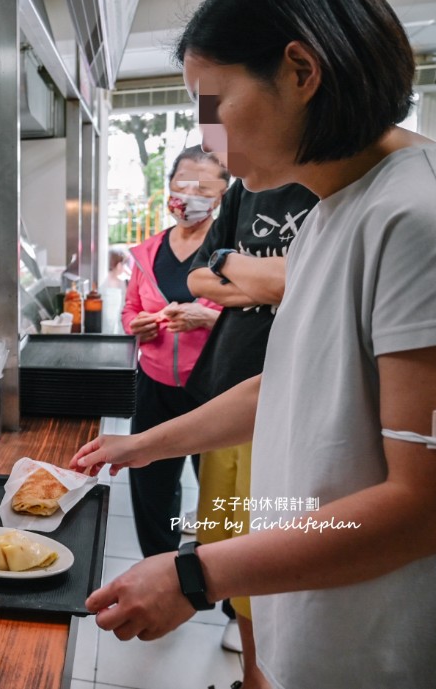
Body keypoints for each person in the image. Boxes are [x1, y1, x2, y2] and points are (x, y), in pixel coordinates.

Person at [70, 0, 436, 688]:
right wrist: (147, 444)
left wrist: (193, 573)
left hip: (382, 649)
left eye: (213, 103)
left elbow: (425, 505)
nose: (206, 136)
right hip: (317, 627)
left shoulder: (417, 217)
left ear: (300, 70)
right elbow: (295, 383)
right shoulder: (333, 213)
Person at [184, 178, 317, 663]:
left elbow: (294, 280)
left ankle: (264, 650)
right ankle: (243, 628)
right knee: (223, 520)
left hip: (287, 394)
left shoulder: (326, 187)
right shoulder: (246, 191)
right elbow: (198, 279)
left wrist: (230, 265)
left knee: (265, 524)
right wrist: (248, 274)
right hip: (226, 384)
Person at [122, 146, 224, 559]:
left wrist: (208, 318)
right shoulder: (148, 251)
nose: (190, 194)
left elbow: (254, 315)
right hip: (154, 385)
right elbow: (130, 309)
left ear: (222, 196)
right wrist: (136, 326)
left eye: (203, 186)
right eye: (182, 183)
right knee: (152, 484)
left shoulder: (231, 250)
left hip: (215, 388)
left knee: (219, 485)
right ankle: (159, 566)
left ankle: (220, 574)